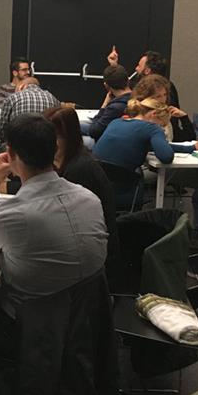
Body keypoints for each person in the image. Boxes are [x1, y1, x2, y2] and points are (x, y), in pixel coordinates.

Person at [0, 114, 109, 320]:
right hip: (90, 320)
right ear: (55, 149)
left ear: (10, 153)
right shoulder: (90, 199)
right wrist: (9, 258)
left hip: (30, 324)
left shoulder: (4, 213)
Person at [43, 107, 118, 276]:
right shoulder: (65, 162)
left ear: (68, 137)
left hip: (92, 263)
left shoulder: (79, 170)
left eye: (55, 137)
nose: (47, 143)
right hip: (83, 251)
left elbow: (63, 223)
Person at [93, 98, 198, 170]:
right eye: (161, 125)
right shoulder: (152, 128)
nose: (162, 129)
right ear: (154, 114)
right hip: (123, 182)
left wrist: (192, 147)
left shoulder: (116, 122)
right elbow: (166, 157)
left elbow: (156, 146)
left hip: (98, 177)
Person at [132, 74, 195, 142]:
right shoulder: (140, 116)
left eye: (165, 95)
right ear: (146, 97)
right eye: (158, 96)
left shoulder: (166, 114)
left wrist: (184, 118)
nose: (163, 100)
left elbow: (188, 139)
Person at [85, 64, 132, 141]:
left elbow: (94, 131)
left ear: (106, 86)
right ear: (128, 80)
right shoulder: (138, 98)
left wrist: (104, 105)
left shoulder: (115, 108)